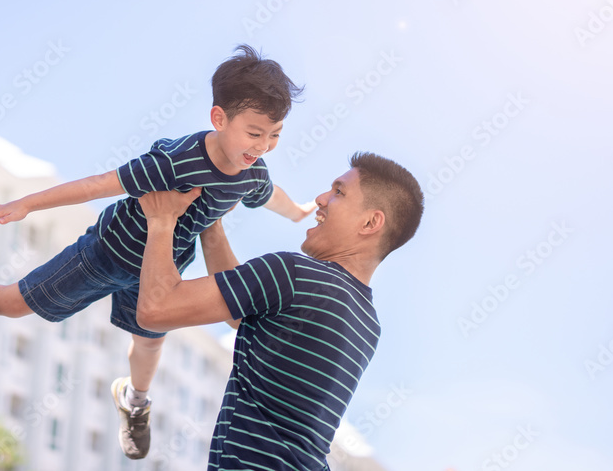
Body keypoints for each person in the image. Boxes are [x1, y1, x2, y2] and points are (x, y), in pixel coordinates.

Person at [0, 45, 313, 460]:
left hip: (160, 271)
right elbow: (97, 184)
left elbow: (269, 195)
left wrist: (297, 214)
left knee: (150, 345)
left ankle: (133, 401)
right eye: (255, 133)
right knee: (11, 302)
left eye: (274, 135)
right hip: (107, 253)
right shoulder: (173, 162)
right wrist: (25, 204)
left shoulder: (253, 174)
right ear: (219, 119)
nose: (264, 146)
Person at [135, 152, 424, 470]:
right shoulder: (366, 322)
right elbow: (242, 313)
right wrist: (211, 222)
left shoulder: (293, 273)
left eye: (339, 192)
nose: (321, 199)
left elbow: (155, 309)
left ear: (371, 223)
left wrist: (161, 221)